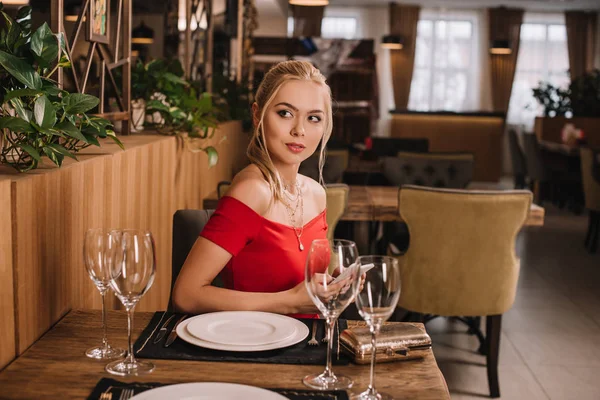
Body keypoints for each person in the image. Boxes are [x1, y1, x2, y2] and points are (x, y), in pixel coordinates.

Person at [172, 60, 334, 317]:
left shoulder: (316, 194)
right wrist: (290, 302)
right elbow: (186, 294)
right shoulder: (252, 191)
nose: (299, 130)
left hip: (310, 342)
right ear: (258, 115)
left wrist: (333, 286)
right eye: (285, 113)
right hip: (255, 347)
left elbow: (307, 286)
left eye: (313, 118)